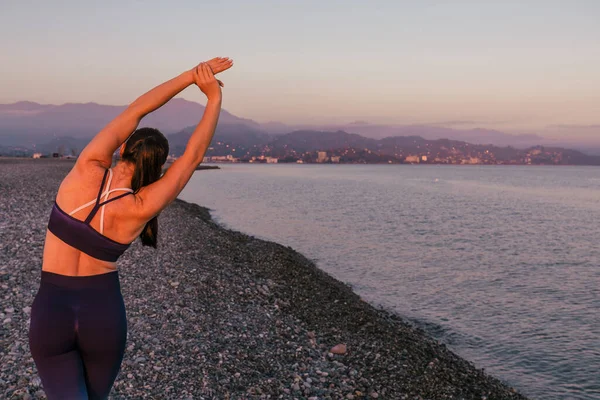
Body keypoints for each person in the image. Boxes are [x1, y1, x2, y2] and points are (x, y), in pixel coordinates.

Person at [28, 57, 233, 399]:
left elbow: (138, 109)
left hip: (52, 310)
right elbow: (194, 157)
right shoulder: (140, 207)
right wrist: (214, 99)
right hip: (103, 315)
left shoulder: (87, 167)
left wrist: (190, 77)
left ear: (123, 147)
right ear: (158, 167)